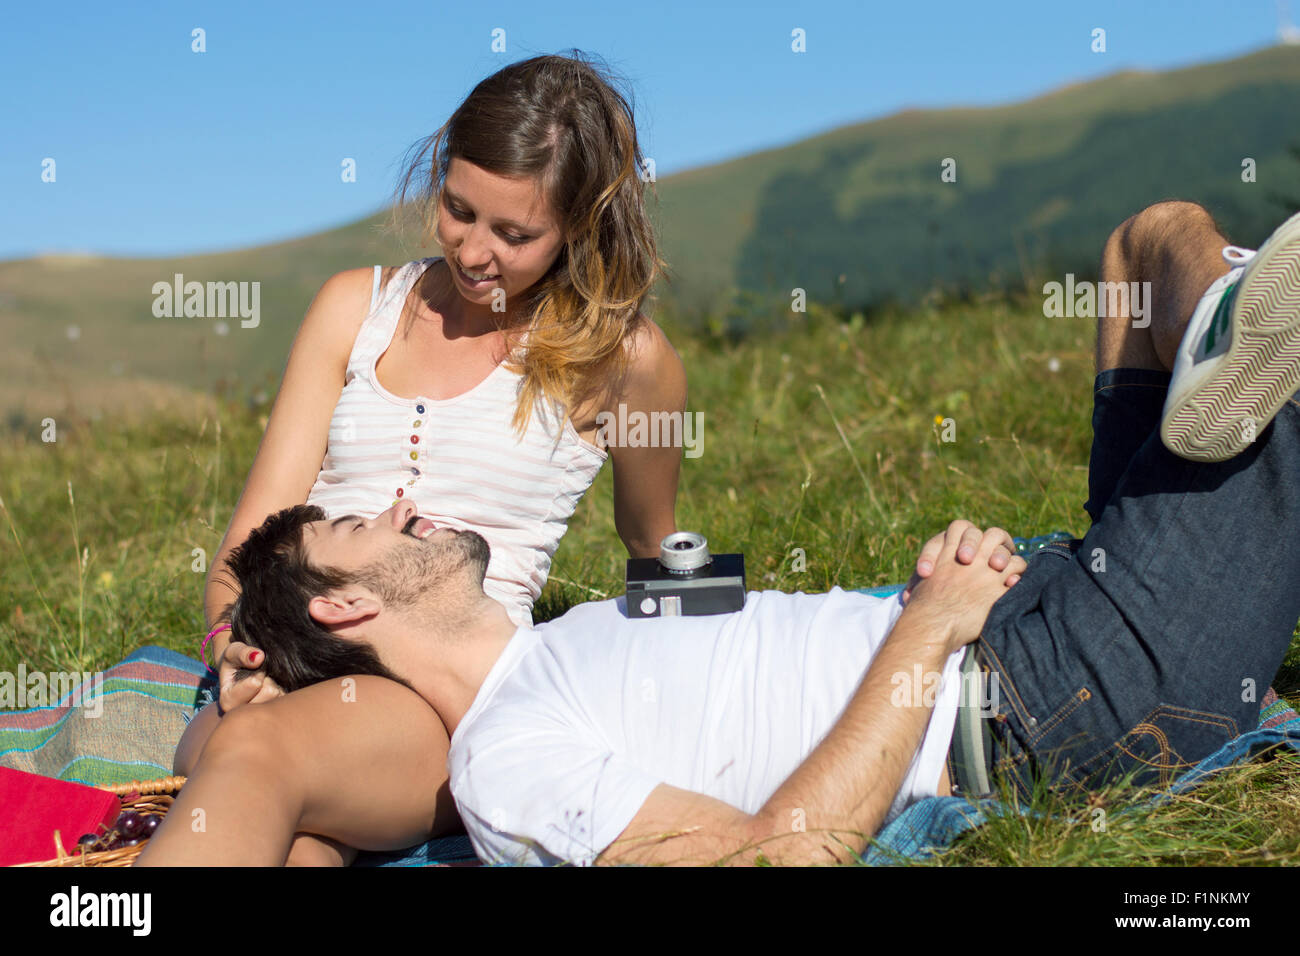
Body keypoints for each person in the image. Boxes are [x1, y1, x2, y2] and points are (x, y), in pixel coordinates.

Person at [140, 202, 1300, 867]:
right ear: (347, 606)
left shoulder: (565, 639)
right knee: (1279, 372)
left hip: (1031, 610)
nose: (397, 500)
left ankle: (1217, 322)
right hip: (1058, 700)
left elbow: (710, 601)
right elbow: (774, 855)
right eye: (356, 522)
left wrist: (901, 602)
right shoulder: (505, 760)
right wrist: (926, 633)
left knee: (1143, 244)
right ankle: (1236, 332)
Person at [173, 51, 689, 866]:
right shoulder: (355, 306)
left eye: (515, 235)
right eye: (458, 209)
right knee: (296, 831)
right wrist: (228, 649)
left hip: (435, 693)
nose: (474, 252)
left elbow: (652, 544)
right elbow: (247, 546)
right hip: (285, 650)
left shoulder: (623, 360)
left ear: (579, 227)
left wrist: (710, 668)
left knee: (258, 761)